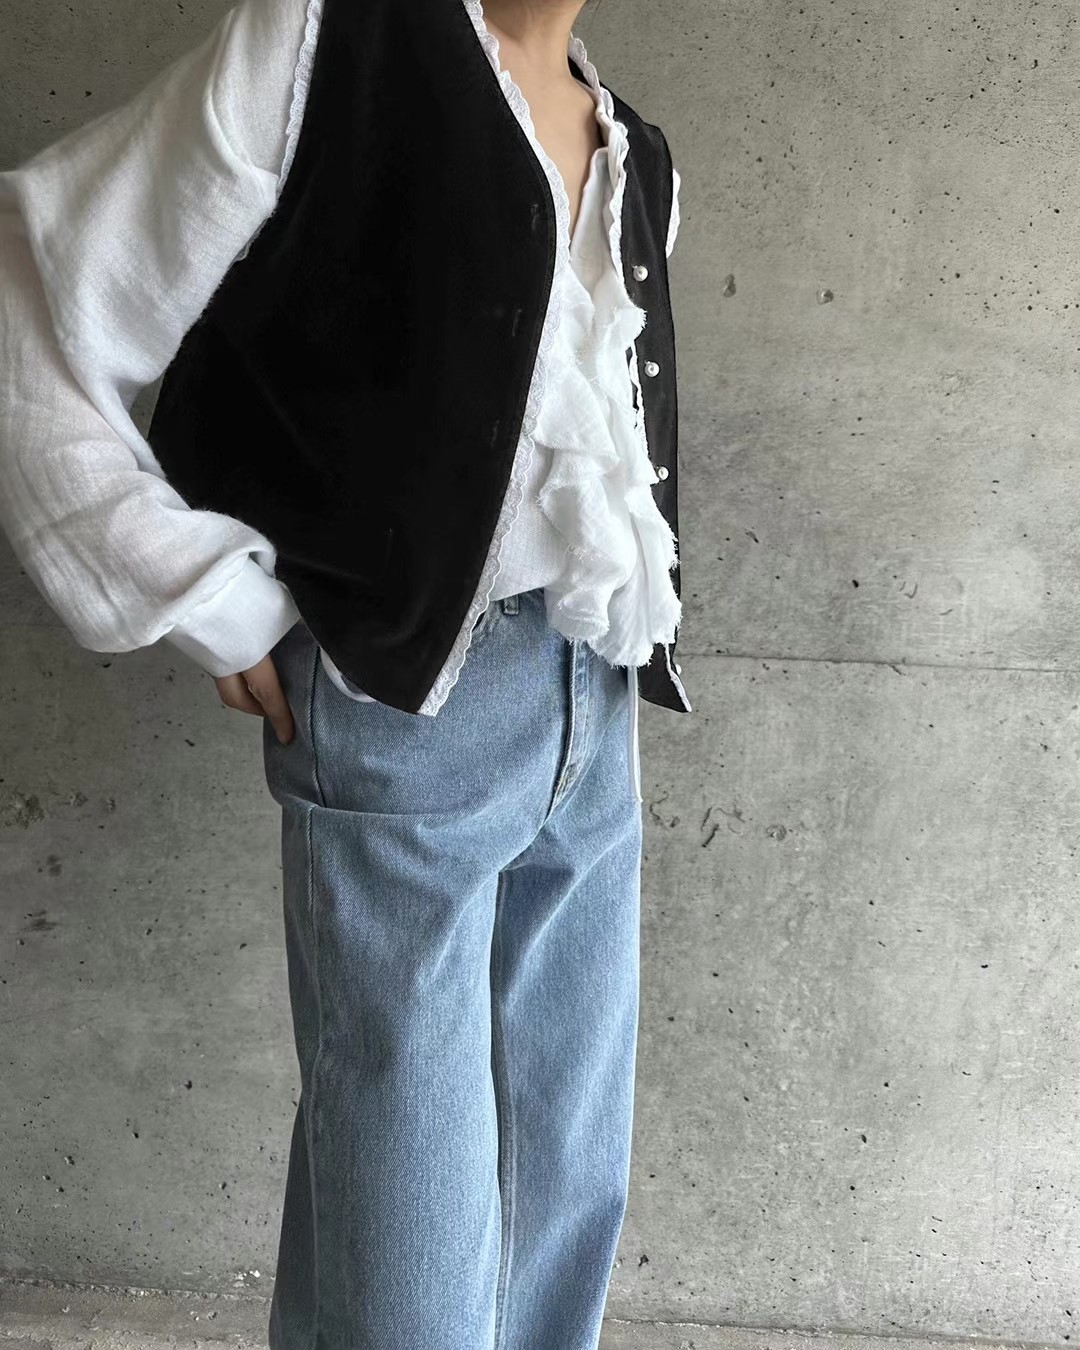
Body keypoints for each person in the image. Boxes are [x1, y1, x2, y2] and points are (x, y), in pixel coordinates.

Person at [0, 0, 692, 1345]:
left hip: (594, 707)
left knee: (558, 1199)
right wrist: (206, 596)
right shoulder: (327, 40)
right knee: (414, 1254)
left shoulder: (635, 153)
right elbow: (34, 283)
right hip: (404, 708)